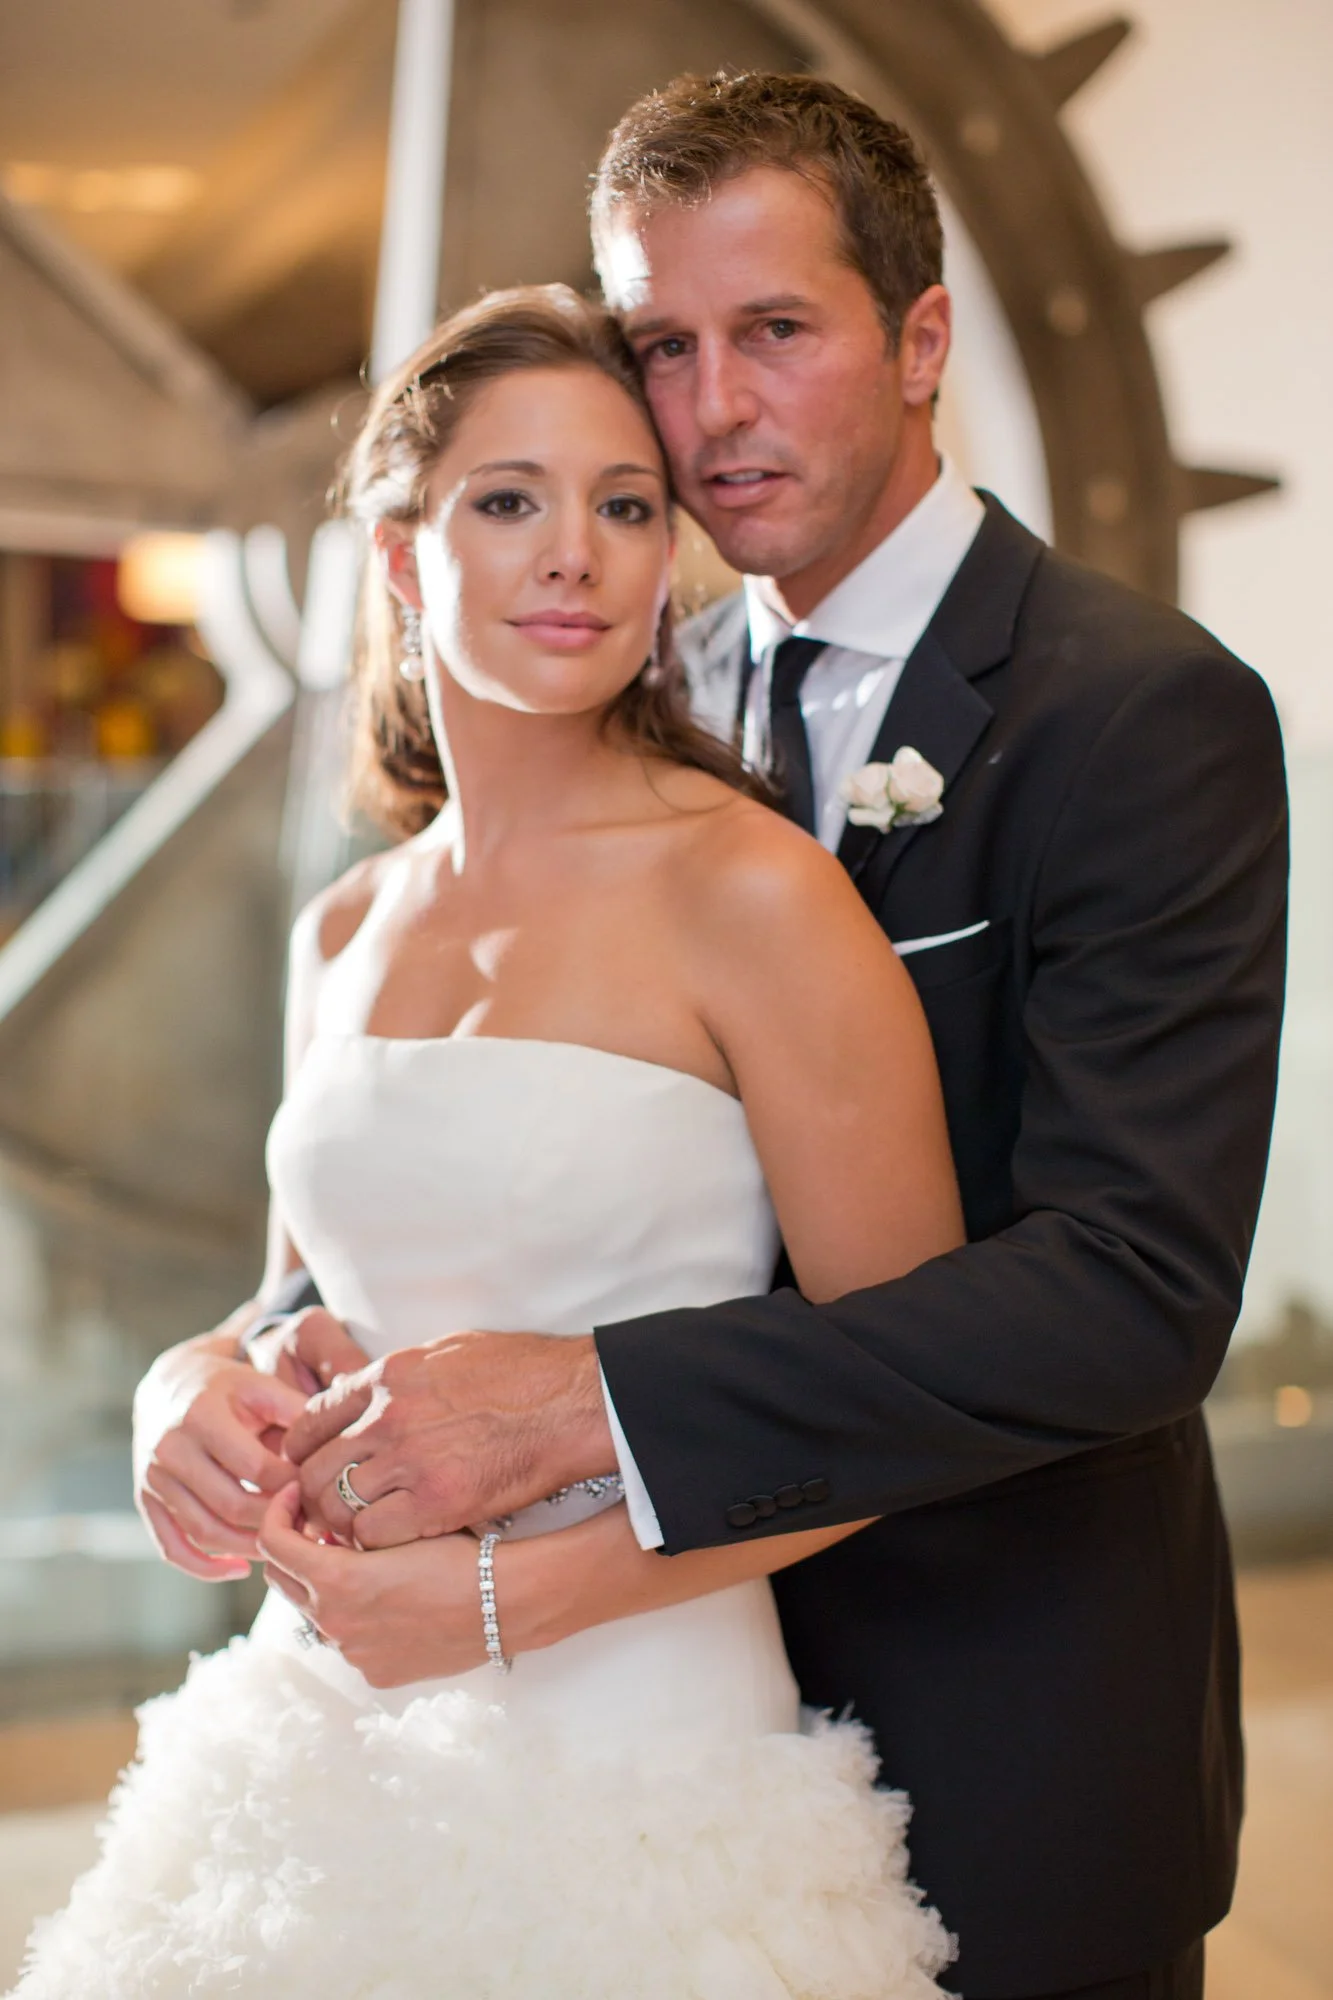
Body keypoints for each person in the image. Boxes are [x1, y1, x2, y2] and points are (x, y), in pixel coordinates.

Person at [271, 73, 1288, 2000]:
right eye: (666, 342)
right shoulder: (647, 688)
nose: (715, 406)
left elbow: (1135, 1288)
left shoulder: (1142, 715)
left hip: (1005, 1716)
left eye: (775, 332)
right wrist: (217, 1379)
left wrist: (583, 1408)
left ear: (920, 344)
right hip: (629, 1726)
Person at [13, 287, 959, 1998]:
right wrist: (189, 1383)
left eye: (624, 505)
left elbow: (912, 1395)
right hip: (321, 1727)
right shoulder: (344, 930)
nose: (577, 556)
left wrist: (517, 1606)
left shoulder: (751, 893)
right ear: (396, 557)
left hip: (648, 1757)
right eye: (509, 500)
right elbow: (303, 1294)